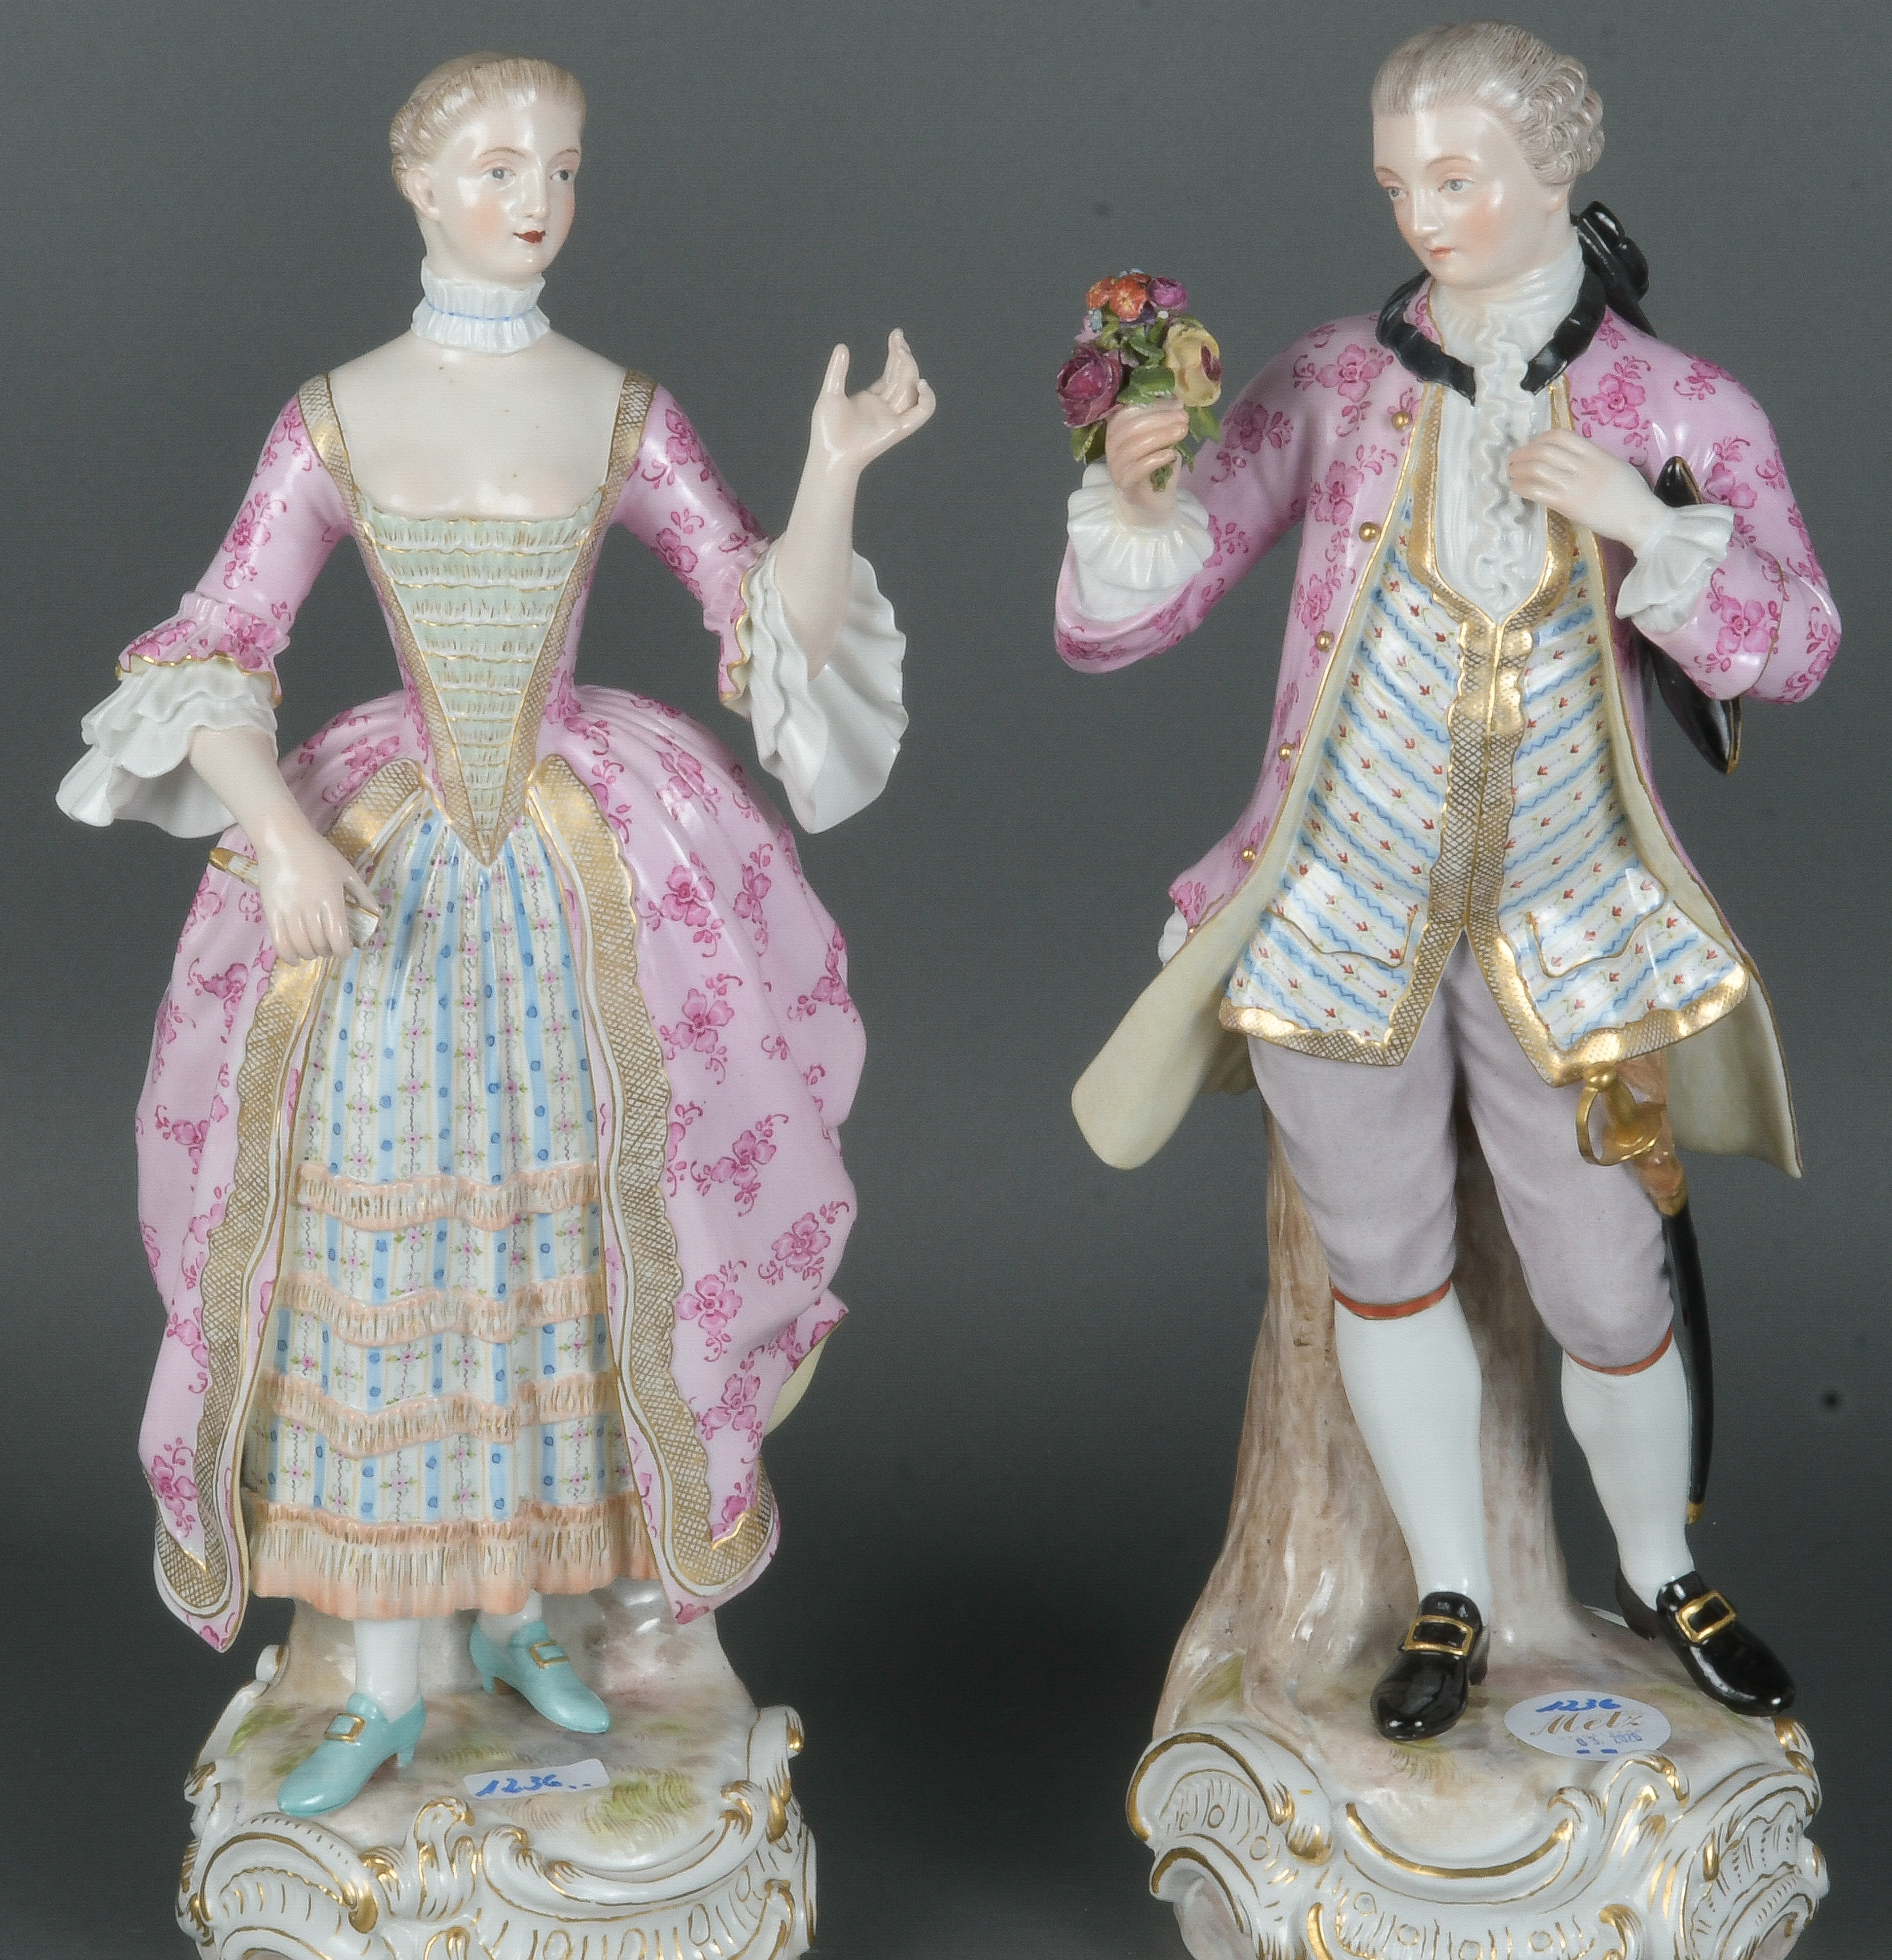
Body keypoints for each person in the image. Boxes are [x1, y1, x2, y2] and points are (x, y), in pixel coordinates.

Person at [60, 51, 933, 1814]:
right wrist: (282, 834)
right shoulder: (336, 415)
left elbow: (760, 618)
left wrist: (834, 470)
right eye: (498, 167)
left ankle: (532, 1605)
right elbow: (211, 644)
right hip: (387, 879)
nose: (537, 199)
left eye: (564, 167)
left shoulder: (620, 410)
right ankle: (389, 1672)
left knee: (563, 1233)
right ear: (417, 184)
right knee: (392, 1252)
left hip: (573, 866)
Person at [1057, 21, 1836, 1742]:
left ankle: (1665, 1565)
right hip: (1346, 898)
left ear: (1558, 169)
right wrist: (1136, 496)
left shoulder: (1680, 405)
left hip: (1569, 906)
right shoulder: (1336, 380)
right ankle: (1453, 1589)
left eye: (1459, 178)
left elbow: (1796, 644)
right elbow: (1135, 616)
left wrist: (1649, 523)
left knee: (1607, 1276)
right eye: (1397, 181)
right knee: (1383, 1256)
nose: (1421, 213)